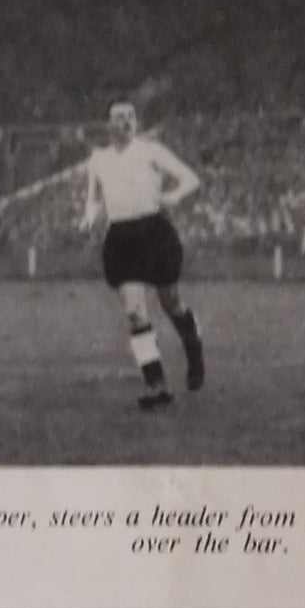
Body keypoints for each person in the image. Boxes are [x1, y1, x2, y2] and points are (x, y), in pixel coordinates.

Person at [81, 102, 205, 411]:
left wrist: (173, 196)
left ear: (136, 122)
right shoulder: (98, 159)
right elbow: (93, 198)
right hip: (121, 237)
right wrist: (88, 217)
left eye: (131, 117)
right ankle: (156, 383)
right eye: (119, 117)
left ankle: (193, 346)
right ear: (108, 124)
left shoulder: (151, 151)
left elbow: (190, 178)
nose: (126, 122)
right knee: (135, 312)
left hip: (154, 231)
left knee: (171, 302)